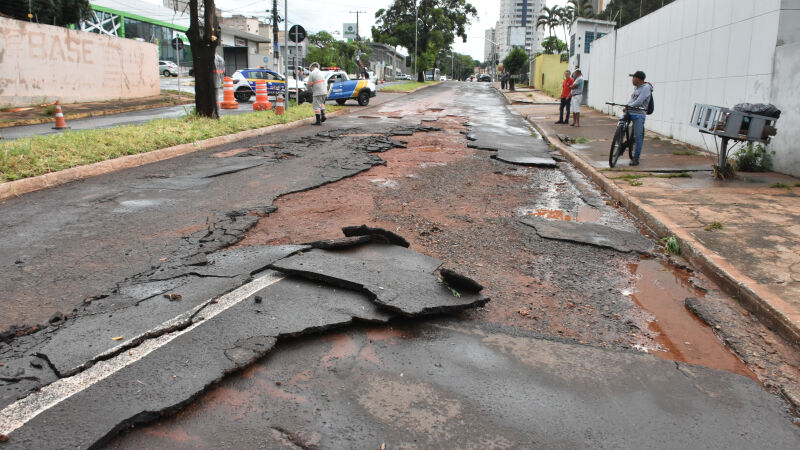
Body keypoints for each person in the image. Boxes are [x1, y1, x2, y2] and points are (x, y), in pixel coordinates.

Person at [625, 70, 652, 166]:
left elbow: (639, 101)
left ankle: (636, 158)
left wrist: (628, 106)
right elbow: (632, 100)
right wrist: (627, 106)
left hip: (639, 114)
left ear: (638, 79)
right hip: (630, 112)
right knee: (620, 126)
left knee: (637, 136)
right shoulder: (636, 88)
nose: (632, 80)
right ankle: (620, 143)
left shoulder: (646, 88)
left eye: (633, 78)